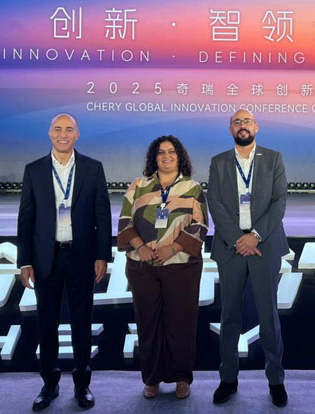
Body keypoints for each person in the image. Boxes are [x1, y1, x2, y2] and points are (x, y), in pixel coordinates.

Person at [17, 113, 111, 411]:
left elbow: (102, 215)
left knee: (82, 322)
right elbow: (26, 218)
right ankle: (49, 383)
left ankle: (82, 384)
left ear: (77, 135)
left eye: (69, 129)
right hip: (47, 258)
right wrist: (24, 261)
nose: (63, 134)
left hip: (82, 256)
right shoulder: (34, 170)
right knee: (47, 323)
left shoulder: (92, 168)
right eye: (58, 129)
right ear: (49, 133)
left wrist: (102, 254)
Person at [207, 110, 289, 407]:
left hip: (264, 246)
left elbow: (279, 201)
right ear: (230, 129)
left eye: (247, 122)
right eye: (237, 122)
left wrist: (255, 236)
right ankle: (228, 379)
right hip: (231, 248)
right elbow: (214, 202)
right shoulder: (219, 162)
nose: (242, 126)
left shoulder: (273, 158)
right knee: (229, 316)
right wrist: (237, 239)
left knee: (268, 316)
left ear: (256, 127)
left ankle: (276, 380)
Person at [117, 135, 208, 400]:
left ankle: (182, 378)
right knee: (148, 323)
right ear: (154, 157)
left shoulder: (192, 188)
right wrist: (141, 247)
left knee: (182, 322)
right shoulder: (138, 186)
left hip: (181, 267)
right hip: (142, 265)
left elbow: (200, 225)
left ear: (180, 156)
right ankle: (152, 378)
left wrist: (173, 248)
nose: (166, 156)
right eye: (160, 152)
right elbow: (124, 221)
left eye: (172, 151)